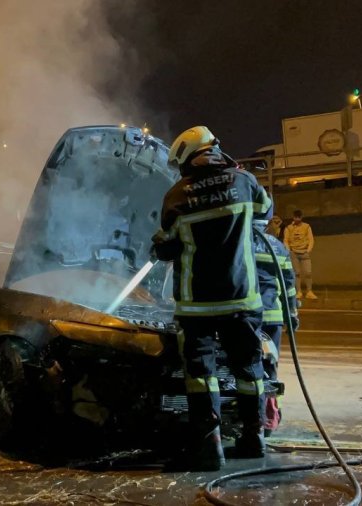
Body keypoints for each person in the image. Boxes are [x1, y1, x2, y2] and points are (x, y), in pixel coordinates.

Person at [152, 126, 272, 471]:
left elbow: (166, 248)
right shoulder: (244, 181)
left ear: (186, 159)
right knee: (250, 372)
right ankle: (254, 439)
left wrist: (159, 243)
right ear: (215, 148)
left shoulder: (177, 195)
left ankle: (210, 449)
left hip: (197, 305)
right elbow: (264, 214)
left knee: (202, 375)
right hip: (242, 299)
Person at [252, 219, 298, 435]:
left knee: (248, 368)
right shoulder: (278, 246)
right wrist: (292, 313)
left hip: (248, 316)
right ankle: (271, 417)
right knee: (270, 367)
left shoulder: (239, 243)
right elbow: (289, 284)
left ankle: (254, 417)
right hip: (273, 317)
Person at [283, 210, 316, 299]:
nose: (297, 219)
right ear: (293, 217)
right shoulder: (289, 228)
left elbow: (311, 239)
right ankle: (298, 292)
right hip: (294, 253)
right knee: (296, 273)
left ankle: (309, 291)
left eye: (299, 217)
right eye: (295, 217)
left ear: (301, 217)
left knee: (308, 272)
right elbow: (285, 240)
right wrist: (289, 250)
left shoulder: (306, 227)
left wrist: (308, 250)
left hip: (304, 253)